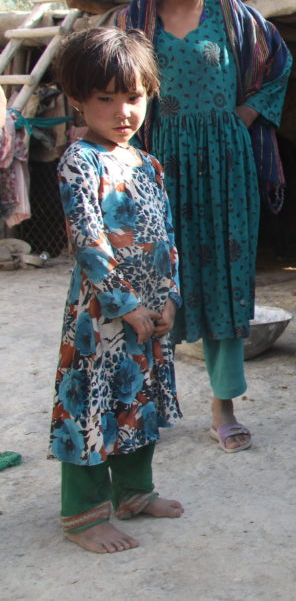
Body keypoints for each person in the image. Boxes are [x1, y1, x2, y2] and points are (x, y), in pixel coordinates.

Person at [117, 0, 292, 452]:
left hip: (225, 169)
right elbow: (112, 88)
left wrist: (240, 117)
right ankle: (140, 403)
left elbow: (278, 69)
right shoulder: (134, 24)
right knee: (153, 280)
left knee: (223, 276)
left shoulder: (237, 21)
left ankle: (223, 406)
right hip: (156, 167)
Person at [50, 27, 184, 553]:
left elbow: (167, 237)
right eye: (105, 99)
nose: (122, 111)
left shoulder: (147, 165)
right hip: (101, 319)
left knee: (139, 399)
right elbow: (89, 240)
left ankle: (134, 491)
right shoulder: (79, 163)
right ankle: (83, 515)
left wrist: (169, 296)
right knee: (91, 406)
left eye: (133, 97)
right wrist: (125, 307)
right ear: (79, 100)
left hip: (151, 313)